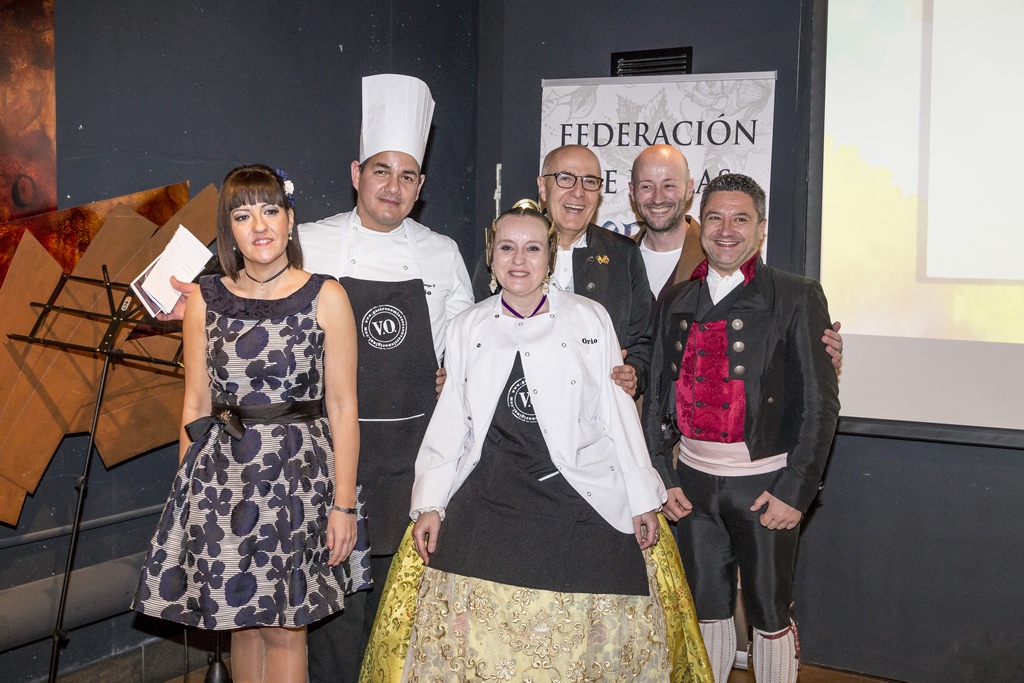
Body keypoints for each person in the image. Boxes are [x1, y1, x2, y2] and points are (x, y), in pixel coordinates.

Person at [155, 76, 474, 683]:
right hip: (312, 458)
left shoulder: (443, 253)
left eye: (408, 176)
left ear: (421, 186)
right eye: (381, 171)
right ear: (357, 173)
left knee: (394, 611)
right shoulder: (315, 244)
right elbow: (240, 294)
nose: (393, 186)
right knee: (315, 625)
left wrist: (454, 377)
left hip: (405, 454)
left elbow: (468, 343)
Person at [403, 199, 680, 681]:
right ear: (490, 255)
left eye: (532, 248)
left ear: (550, 257)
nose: (519, 260)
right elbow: (452, 422)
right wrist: (431, 502)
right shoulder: (467, 326)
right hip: (491, 495)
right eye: (506, 248)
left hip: (576, 495)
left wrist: (640, 498)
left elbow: (615, 413)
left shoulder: (590, 318)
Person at [132, 165, 369, 683]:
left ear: (290, 219)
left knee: (286, 629)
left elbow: (343, 406)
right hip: (224, 481)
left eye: (270, 210)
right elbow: (195, 403)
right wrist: (188, 496)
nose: (259, 225)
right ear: (229, 229)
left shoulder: (327, 296)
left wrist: (344, 504)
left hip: (299, 482)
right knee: (240, 623)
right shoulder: (205, 299)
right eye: (243, 215)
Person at [641, 173, 841, 683]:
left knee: (769, 613)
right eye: (715, 217)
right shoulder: (676, 299)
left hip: (765, 487)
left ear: (762, 228)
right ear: (701, 223)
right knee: (706, 609)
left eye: (740, 218)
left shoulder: (797, 296)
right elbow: (657, 398)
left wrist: (795, 490)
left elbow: (821, 405)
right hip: (692, 487)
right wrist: (663, 474)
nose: (726, 230)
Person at [472, 144, 652, 397]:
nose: (578, 192)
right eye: (565, 178)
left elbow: (643, 339)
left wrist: (634, 372)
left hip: (596, 405)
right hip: (517, 401)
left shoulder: (623, 254)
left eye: (590, 181)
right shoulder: (507, 250)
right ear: (542, 187)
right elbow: (475, 328)